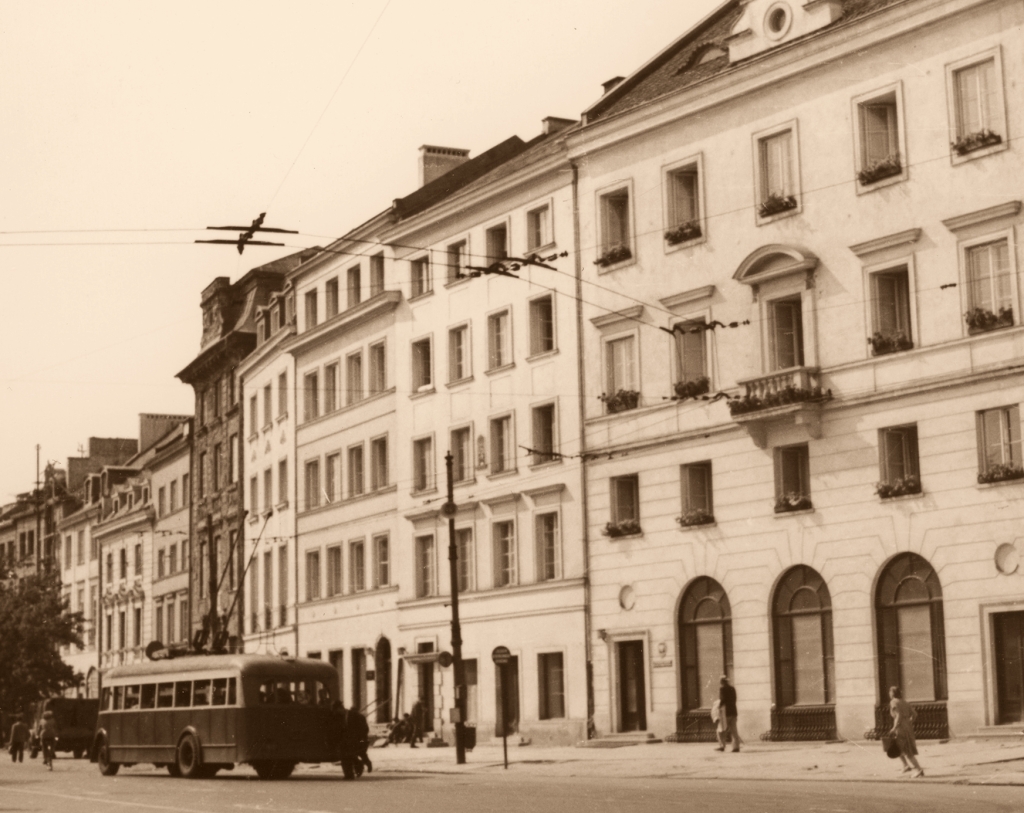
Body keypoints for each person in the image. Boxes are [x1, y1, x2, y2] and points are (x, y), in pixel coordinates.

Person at [889, 686, 924, 777]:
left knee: (907, 751)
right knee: (898, 747)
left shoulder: (894, 702)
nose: (889, 694)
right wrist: (909, 722)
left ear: (892, 693)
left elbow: (898, 716)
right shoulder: (905, 702)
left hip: (900, 728)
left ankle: (919, 769)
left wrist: (894, 728)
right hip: (907, 727)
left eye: (890, 692)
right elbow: (915, 714)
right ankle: (905, 765)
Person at [332, 701, 359, 780]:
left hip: (352, 739)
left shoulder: (351, 715)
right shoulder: (338, 716)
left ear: (340, 708)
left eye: (336, 710)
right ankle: (348, 775)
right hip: (343, 740)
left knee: (350, 757)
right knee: (344, 757)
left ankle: (353, 771)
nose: (336, 712)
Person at [715, 675, 741, 753]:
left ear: (722, 681)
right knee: (734, 731)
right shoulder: (732, 688)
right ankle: (736, 747)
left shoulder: (722, 688)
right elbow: (735, 699)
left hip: (725, 713)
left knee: (720, 730)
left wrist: (718, 707)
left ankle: (722, 746)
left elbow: (723, 699)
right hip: (733, 712)